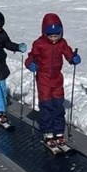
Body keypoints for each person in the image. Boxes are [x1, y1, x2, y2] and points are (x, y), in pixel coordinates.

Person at [24, 13, 81, 148]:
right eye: (51, 36)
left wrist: (73, 58)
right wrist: (30, 64)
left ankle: (59, 132)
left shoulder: (62, 43)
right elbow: (31, 57)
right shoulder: (39, 43)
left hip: (56, 78)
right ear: (45, 33)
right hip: (43, 78)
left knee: (58, 105)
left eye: (56, 36)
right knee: (46, 106)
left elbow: (68, 52)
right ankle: (48, 132)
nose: (54, 39)